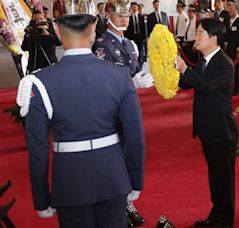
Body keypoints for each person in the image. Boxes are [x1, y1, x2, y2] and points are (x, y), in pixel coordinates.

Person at [18, 0, 145, 227]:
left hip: (70, 182)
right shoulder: (119, 76)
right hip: (113, 178)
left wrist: (41, 198)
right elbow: (135, 134)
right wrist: (135, 181)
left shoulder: (39, 82)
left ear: (57, 29)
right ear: (94, 27)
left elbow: (37, 149)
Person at [92, 1, 153, 226]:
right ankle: (118, 206)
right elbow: (102, 82)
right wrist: (131, 82)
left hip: (128, 109)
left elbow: (134, 72)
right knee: (114, 160)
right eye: (118, 15)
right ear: (108, 17)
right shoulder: (102, 45)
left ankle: (127, 202)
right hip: (110, 113)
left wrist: (145, 71)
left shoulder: (128, 43)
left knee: (128, 156)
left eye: (127, 15)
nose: (124, 19)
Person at [175, 18, 239, 228]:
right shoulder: (203, 60)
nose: (197, 37)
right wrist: (173, 71)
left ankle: (225, 221)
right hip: (208, 128)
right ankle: (216, 215)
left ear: (214, 38)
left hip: (222, 130)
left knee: (224, 180)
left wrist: (186, 70)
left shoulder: (224, 63)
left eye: (201, 33)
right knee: (215, 177)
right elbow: (187, 84)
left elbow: (205, 86)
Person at [224, 2, 239, 94]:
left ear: (236, 10)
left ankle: (238, 87)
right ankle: (232, 85)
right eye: (228, 9)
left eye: (231, 9)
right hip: (229, 49)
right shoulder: (229, 21)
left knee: (237, 68)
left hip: (237, 50)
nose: (229, 11)